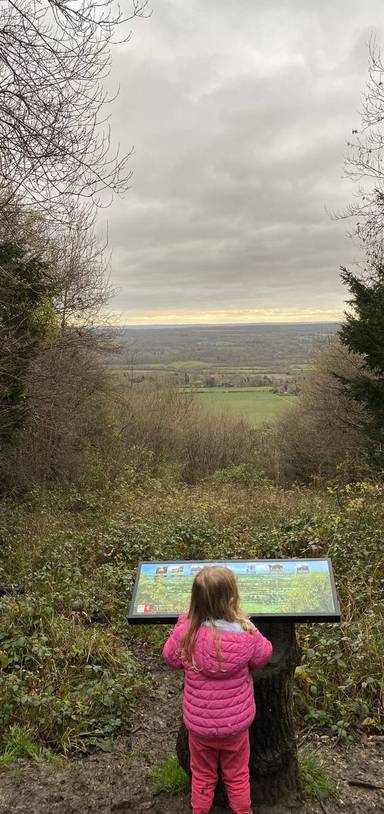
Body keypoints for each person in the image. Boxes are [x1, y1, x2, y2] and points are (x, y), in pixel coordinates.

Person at [162, 565, 273, 814]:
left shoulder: (186, 633)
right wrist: (251, 627)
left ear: (196, 601)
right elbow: (264, 655)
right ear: (232, 598)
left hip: (200, 727)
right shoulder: (246, 633)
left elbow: (169, 657)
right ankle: (242, 811)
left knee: (202, 775)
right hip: (235, 727)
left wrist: (181, 625)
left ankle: (199, 810)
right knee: (237, 774)